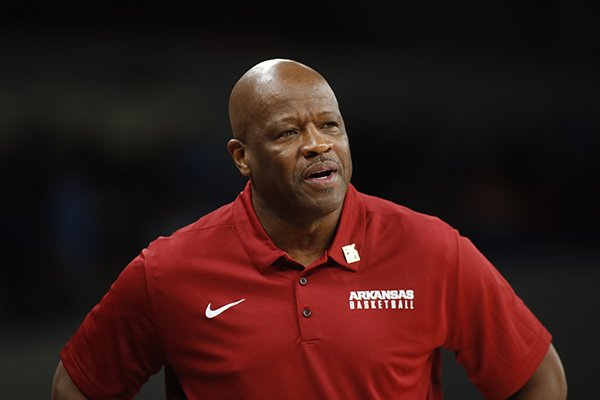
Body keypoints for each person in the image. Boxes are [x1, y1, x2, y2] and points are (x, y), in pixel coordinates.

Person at [51, 58, 567, 399]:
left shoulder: (432, 248)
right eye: (288, 132)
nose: (317, 144)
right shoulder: (168, 271)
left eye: (330, 125)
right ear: (242, 158)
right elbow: (76, 387)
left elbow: (539, 378)